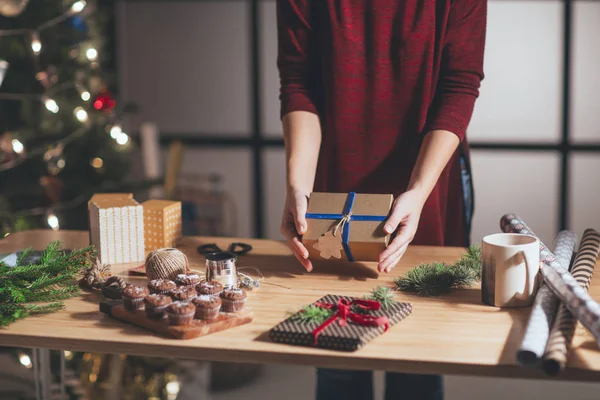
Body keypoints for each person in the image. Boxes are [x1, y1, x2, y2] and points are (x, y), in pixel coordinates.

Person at [276, 1, 486, 399]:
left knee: (416, 363)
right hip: (335, 176)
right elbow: (298, 82)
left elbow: (459, 84)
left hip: (428, 178)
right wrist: (296, 184)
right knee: (338, 362)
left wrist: (419, 190)